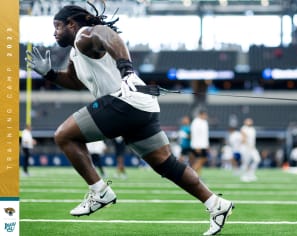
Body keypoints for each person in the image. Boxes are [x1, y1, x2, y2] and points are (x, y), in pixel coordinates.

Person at [25, 4, 233, 235]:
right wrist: (50, 74)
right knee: (166, 164)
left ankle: (100, 192)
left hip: (124, 101)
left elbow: (106, 34)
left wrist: (127, 69)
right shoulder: (76, 51)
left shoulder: (84, 35)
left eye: (57, 27)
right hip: (141, 106)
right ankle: (216, 204)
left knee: (63, 135)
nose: (54, 33)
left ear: (71, 25)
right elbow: (75, 82)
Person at [239, 118, 261, 182]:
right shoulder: (243, 128)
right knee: (246, 162)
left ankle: (251, 174)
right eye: (248, 121)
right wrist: (247, 145)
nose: (249, 122)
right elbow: (243, 138)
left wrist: (252, 146)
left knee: (257, 159)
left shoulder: (253, 129)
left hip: (252, 148)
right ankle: (244, 176)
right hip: (245, 147)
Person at [190, 110, 210, 176]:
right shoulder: (196, 122)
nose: (206, 116)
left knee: (200, 160)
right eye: (204, 115)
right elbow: (195, 134)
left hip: (203, 145)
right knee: (201, 160)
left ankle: (198, 176)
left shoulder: (204, 122)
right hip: (198, 145)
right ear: (201, 114)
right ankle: (191, 174)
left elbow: (205, 135)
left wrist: (207, 145)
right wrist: (197, 145)